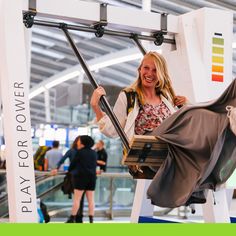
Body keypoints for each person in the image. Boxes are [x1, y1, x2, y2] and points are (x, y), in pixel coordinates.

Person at [90, 51, 236, 208]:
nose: (150, 73)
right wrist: (95, 107)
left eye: (155, 70)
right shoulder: (129, 96)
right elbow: (113, 130)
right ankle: (227, 114)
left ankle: (228, 121)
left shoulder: (166, 96)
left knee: (199, 123)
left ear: (161, 73)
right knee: (194, 114)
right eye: (146, 68)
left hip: (171, 144)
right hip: (149, 143)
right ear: (139, 70)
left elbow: (179, 124)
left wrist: (186, 105)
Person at [52, 136, 86, 223]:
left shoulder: (73, 151)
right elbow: (62, 160)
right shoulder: (78, 151)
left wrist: (57, 167)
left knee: (77, 198)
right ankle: (78, 217)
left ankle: (75, 217)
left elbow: (62, 160)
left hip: (75, 176)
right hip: (81, 176)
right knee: (79, 198)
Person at [66, 135, 97, 223]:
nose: (78, 142)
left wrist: (69, 171)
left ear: (83, 142)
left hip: (80, 178)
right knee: (91, 200)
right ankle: (91, 220)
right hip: (92, 178)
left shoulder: (80, 152)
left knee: (77, 199)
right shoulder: (94, 153)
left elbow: (73, 164)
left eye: (79, 140)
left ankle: (72, 218)